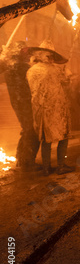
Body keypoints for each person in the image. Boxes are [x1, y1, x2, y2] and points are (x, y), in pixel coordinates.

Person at [26, 40, 75, 176]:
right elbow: (66, 83)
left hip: (45, 109)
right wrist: (66, 74)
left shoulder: (31, 71)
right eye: (49, 55)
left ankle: (47, 168)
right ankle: (60, 166)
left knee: (46, 138)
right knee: (62, 137)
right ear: (41, 55)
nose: (51, 58)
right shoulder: (53, 70)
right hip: (54, 109)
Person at [0, 41, 40, 171]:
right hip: (24, 102)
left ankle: (22, 159)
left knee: (27, 129)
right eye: (27, 52)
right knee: (31, 130)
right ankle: (27, 161)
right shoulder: (21, 68)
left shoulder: (11, 67)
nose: (29, 55)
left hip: (19, 102)